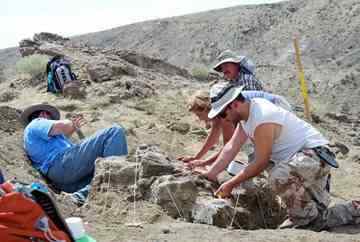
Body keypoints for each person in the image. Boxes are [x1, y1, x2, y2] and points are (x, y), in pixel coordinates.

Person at [195, 84, 360, 230]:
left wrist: (231, 184)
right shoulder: (247, 116)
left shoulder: (262, 117)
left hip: (315, 158)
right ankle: (352, 210)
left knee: (277, 176)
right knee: (314, 221)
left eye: (223, 114)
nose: (224, 119)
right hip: (304, 164)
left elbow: (261, 162)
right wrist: (210, 173)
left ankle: (307, 217)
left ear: (235, 104)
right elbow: (231, 147)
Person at [21, 104, 128, 205]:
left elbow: (66, 134)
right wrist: (71, 122)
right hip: (61, 165)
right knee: (114, 131)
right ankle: (115, 178)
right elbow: (63, 126)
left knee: (99, 179)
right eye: (49, 115)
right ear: (43, 114)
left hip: (62, 179)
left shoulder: (50, 138)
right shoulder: (37, 122)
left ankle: (80, 196)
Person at [179, 82, 291, 169]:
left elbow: (229, 147)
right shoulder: (220, 113)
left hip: (276, 106)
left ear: (205, 108)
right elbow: (213, 137)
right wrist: (196, 158)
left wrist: (205, 163)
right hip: (268, 108)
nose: (199, 119)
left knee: (257, 147)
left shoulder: (225, 113)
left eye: (199, 115)